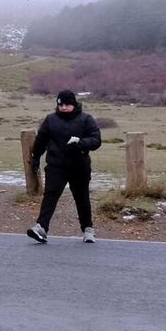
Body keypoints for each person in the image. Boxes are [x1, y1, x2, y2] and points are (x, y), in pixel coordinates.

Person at [28, 90, 103, 244]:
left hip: (79, 165)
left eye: (67, 104)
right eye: (60, 104)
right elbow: (41, 140)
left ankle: (88, 229)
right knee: (50, 195)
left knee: (81, 197)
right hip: (57, 165)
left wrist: (81, 143)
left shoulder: (86, 119)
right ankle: (41, 227)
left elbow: (96, 140)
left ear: (73, 104)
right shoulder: (51, 120)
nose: (63, 107)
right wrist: (36, 157)